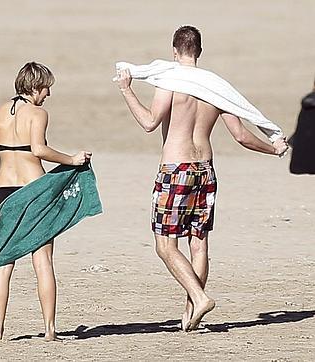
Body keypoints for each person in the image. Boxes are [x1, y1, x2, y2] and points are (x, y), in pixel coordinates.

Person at [115, 25, 288, 332]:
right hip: (205, 169)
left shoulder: (170, 80)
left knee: (165, 246)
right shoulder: (214, 87)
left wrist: (127, 89)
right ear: (199, 51)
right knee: (198, 243)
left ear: (174, 51)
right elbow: (241, 136)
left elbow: (149, 122)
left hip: (176, 169)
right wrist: (273, 150)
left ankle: (199, 296)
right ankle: (190, 312)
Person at [0, 62, 94, 341]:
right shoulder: (38, 114)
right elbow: (38, 149)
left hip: (3, 193)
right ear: (35, 87)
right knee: (43, 262)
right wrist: (72, 159)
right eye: (46, 89)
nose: (48, 95)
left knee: (2, 261)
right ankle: (50, 330)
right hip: (34, 192)